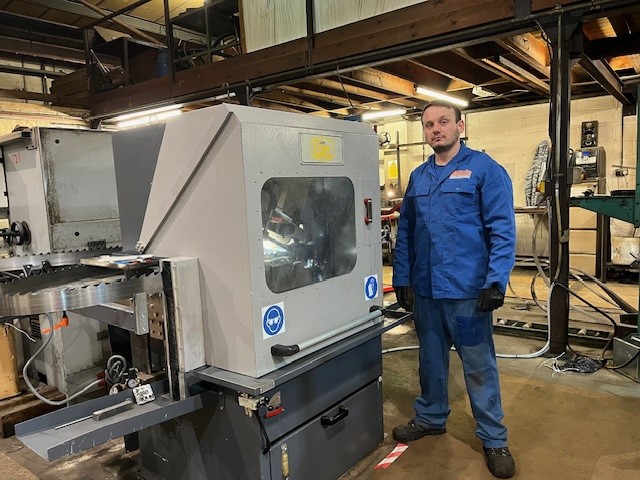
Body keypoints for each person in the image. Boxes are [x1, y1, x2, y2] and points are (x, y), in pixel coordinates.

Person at [392, 99, 516, 479]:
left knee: (478, 366)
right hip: (428, 290)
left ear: (460, 126)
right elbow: (407, 231)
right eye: (429, 124)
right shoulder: (419, 177)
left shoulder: (485, 171)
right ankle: (431, 417)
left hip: (467, 292)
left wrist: (496, 280)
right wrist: (402, 278)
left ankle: (494, 438)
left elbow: (502, 229)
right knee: (430, 361)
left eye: (443, 122)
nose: (435, 129)